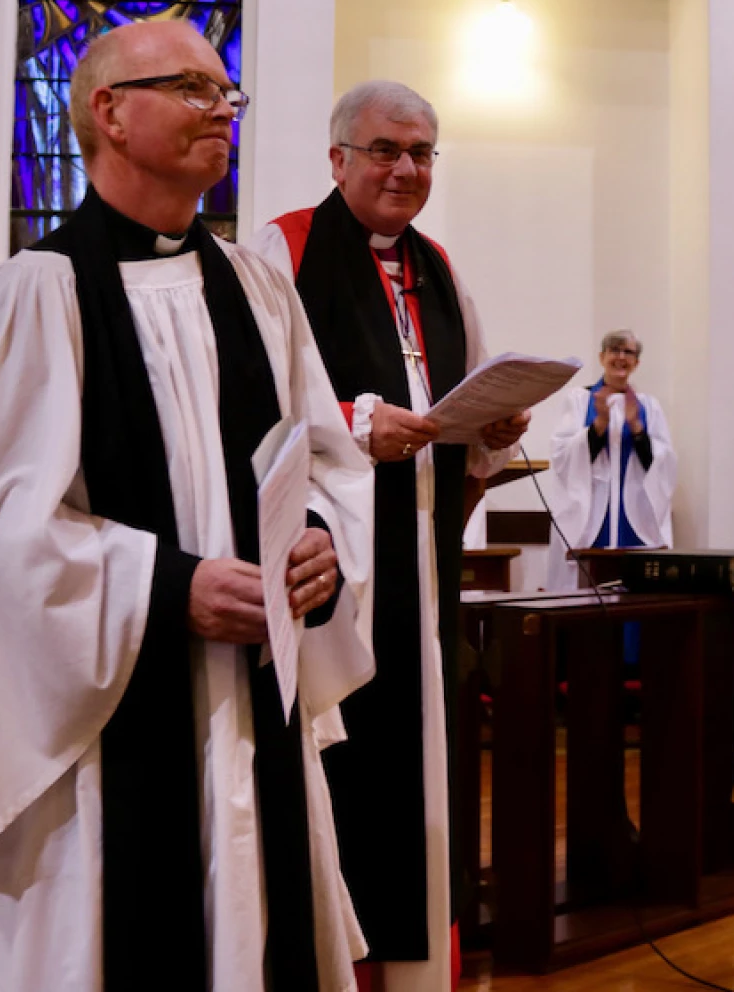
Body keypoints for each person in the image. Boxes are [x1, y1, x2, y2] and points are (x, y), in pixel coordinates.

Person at [0, 22, 376, 992]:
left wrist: (320, 541)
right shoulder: (30, 297)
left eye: (228, 93)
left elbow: (324, 457)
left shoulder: (259, 290)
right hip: (103, 738)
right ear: (109, 111)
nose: (222, 110)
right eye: (194, 88)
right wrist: (168, 586)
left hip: (252, 709)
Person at [254, 80, 528, 992]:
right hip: (331, 570)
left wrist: (490, 427)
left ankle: (413, 971)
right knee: (347, 770)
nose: (405, 169)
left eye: (420, 153)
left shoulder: (438, 267)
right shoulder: (285, 249)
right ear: (338, 159)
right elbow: (250, 404)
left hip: (423, 556)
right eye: (384, 150)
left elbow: (463, 391)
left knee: (422, 767)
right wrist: (354, 423)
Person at [545, 329, 677, 590]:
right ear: (602, 357)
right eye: (614, 350)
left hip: (636, 516)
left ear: (636, 362)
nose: (621, 357)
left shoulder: (648, 406)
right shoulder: (580, 399)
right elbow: (561, 455)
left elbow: (664, 464)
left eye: (628, 352)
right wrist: (599, 424)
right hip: (590, 514)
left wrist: (636, 427)